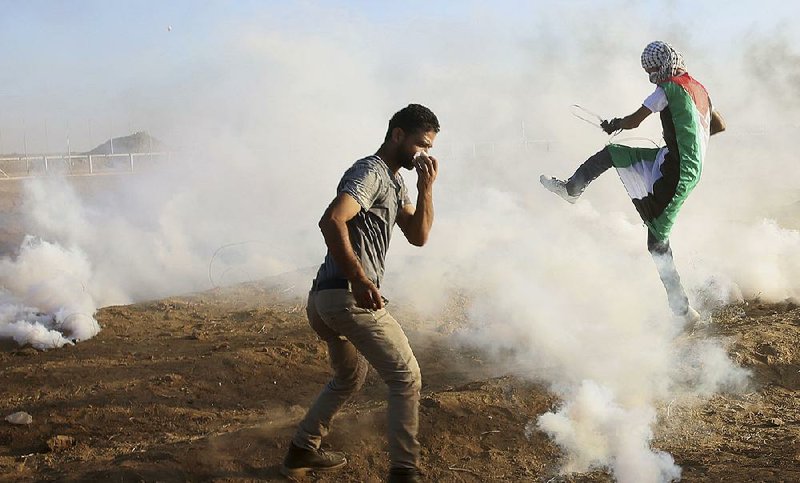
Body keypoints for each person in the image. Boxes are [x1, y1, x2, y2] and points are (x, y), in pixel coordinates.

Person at [280, 104, 440, 483]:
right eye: (420, 144)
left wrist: (426, 188)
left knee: (350, 377)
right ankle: (404, 472)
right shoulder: (370, 171)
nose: (424, 154)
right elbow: (332, 219)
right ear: (397, 135)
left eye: (429, 147)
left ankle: (302, 450)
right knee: (406, 377)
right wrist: (359, 278)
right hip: (346, 296)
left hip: (326, 298)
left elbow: (418, 236)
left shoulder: (396, 182)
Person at [540, 41, 726, 323]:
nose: (651, 77)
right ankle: (571, 189)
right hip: (672, 161)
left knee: (656, 243)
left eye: (651, 70)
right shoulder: (700, 90)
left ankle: (683, 311)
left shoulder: (667, 88)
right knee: (613, 154)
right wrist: (690, 143)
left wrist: (613, 124)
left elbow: (635, 121)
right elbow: (719, 125)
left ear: (661, 65)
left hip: (678, 172)